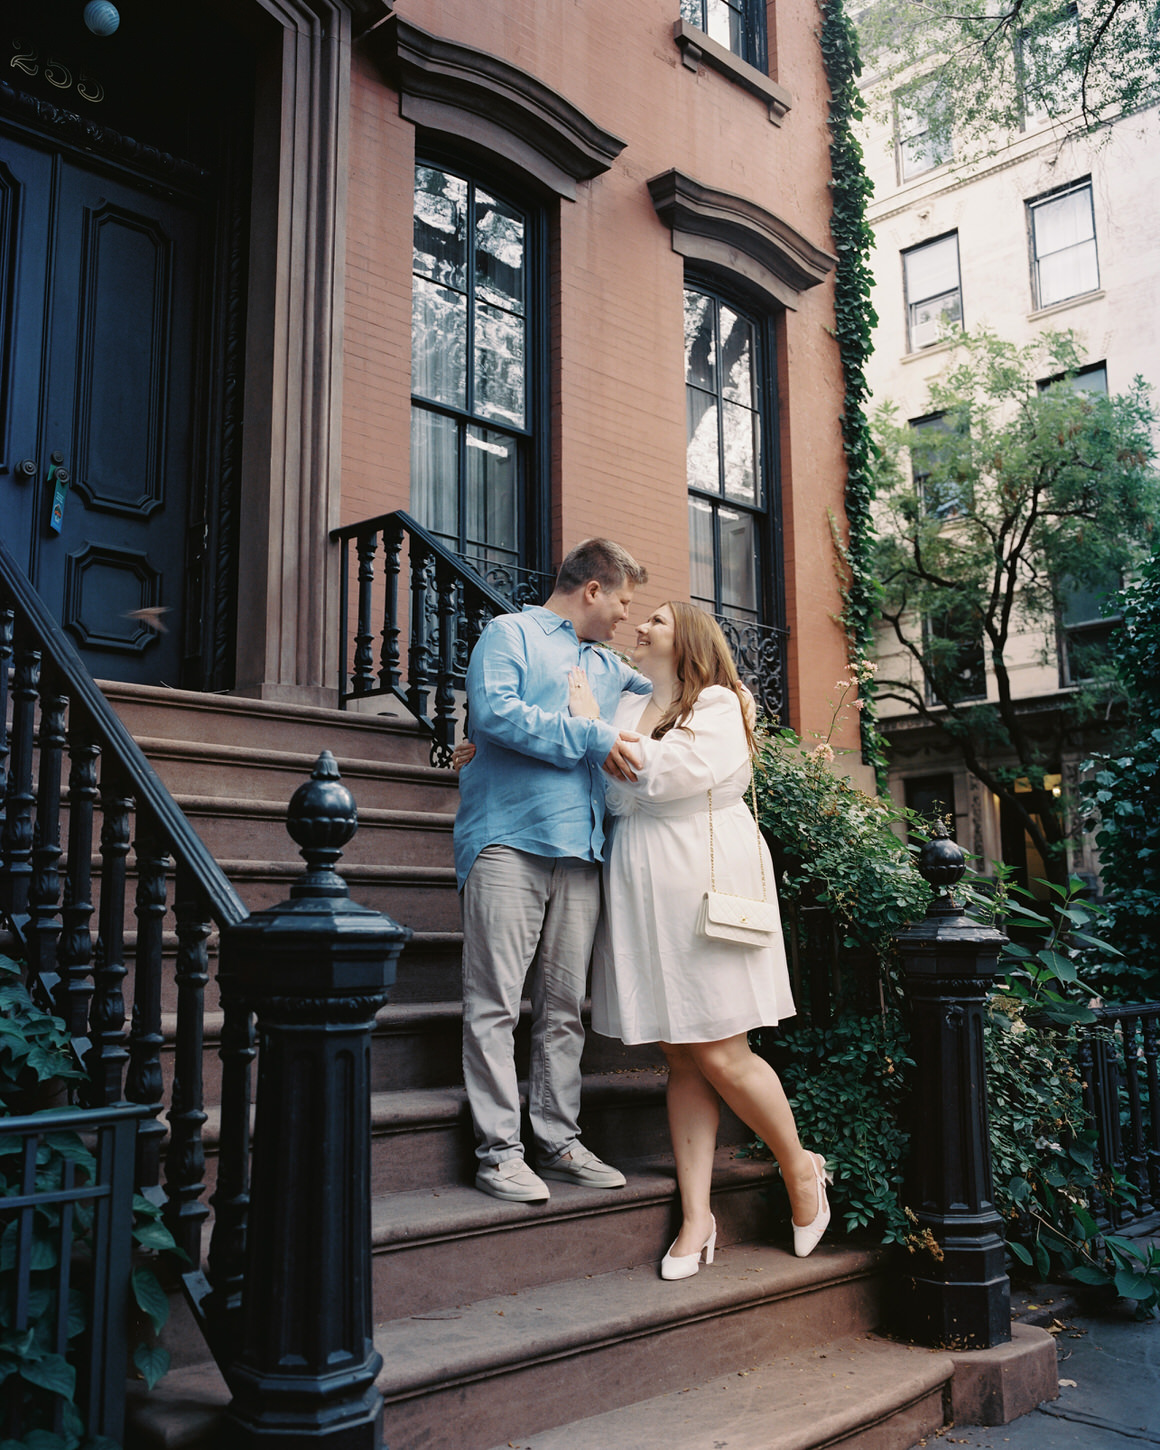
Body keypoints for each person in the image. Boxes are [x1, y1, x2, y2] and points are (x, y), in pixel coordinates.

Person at [567, 601, 831, 1277]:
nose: (640, 626)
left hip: (701, 879)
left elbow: (664, 776)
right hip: (639, 883)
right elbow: (612, 774)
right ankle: (695, 1216)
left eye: (656, 619)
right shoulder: (628, 709)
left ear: (687, 637)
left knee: (720, 1048)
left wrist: (604, 743)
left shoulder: (720, 702)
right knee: (680, 1055)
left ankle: (800, 1168)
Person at [454, 538, 651, 1203]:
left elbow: (675, 690)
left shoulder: (613, 667)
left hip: (583, 851)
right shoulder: (509, 634)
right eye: (625, 600)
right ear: (593, 588)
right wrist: (592, 738)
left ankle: (559, 1140)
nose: (628, 615)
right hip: (509, 839)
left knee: (564, 1010)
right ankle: (499, 1154)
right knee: (495, 1004)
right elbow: (494, 714)